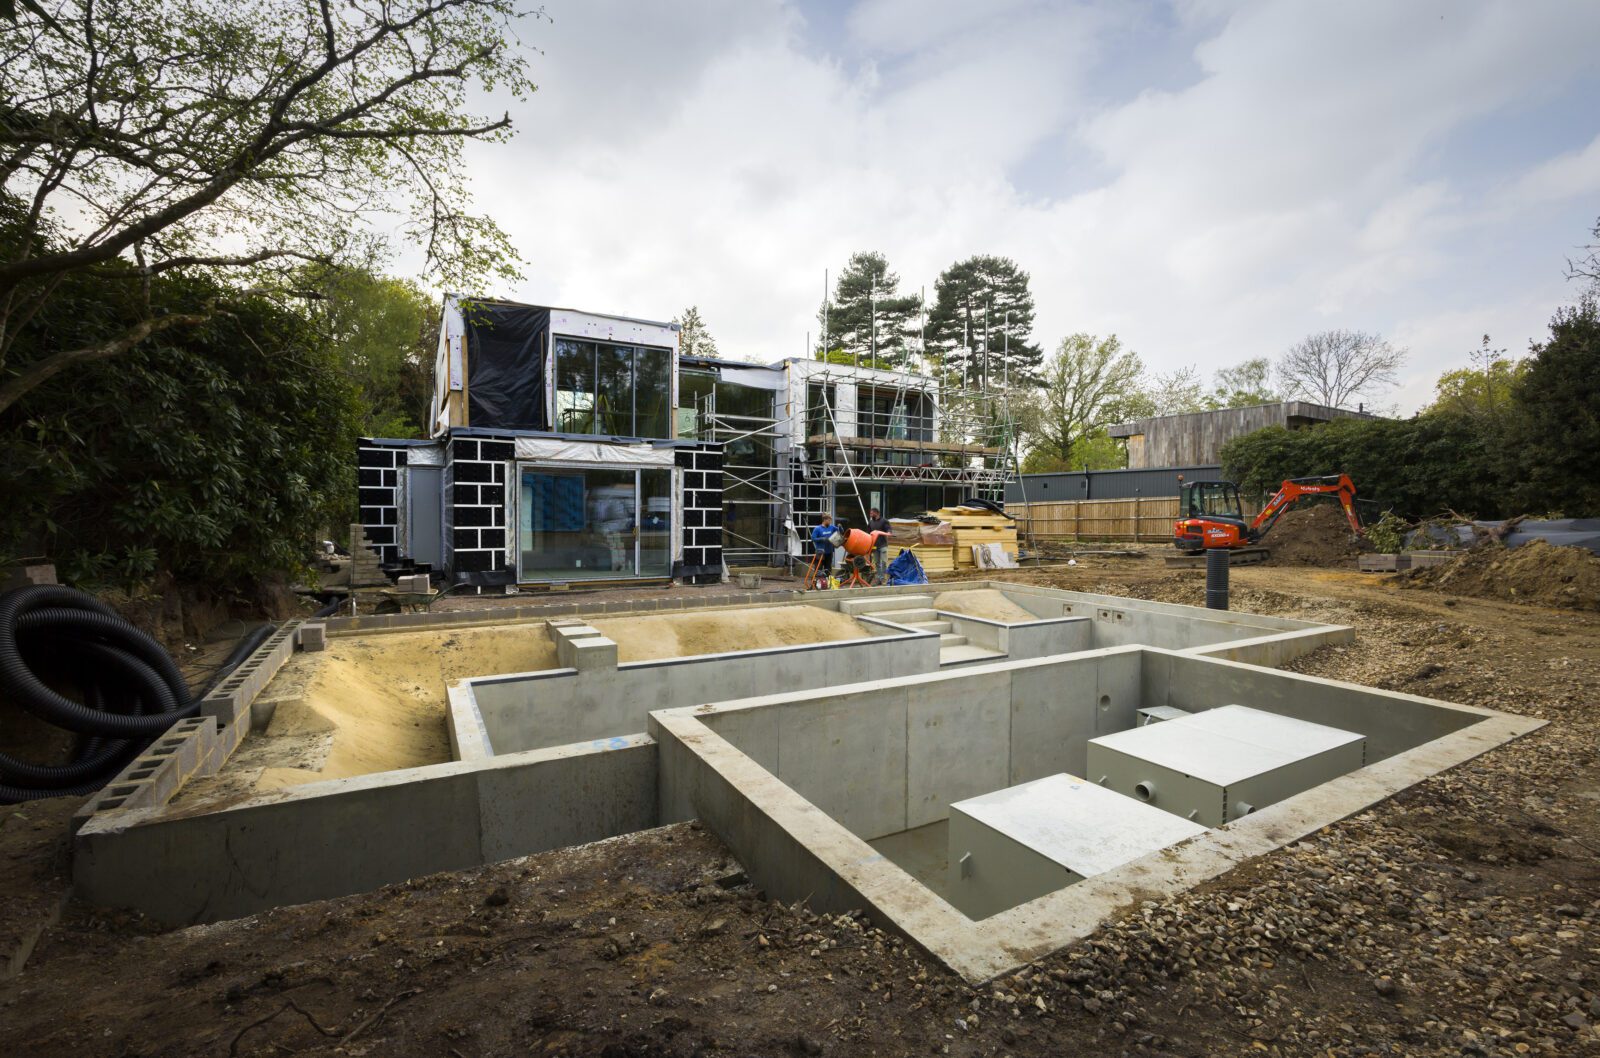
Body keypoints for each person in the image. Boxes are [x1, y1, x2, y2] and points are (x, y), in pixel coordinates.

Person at [810, 514, 841, 587]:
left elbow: (839, 531)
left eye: (830, 520)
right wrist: (822, 539)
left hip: (829, 551)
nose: (830, 522)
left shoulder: (832, 527)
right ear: (825, 520)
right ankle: (816, 584)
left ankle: (828, 584)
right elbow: (813, 538)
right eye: (829, 520)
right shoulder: (818, 529)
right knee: (819, 568)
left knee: (828, 568)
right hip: (820, 552)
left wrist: (840, 528)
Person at [864, 506, 891, 584]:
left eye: (872, 513)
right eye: (870, 513)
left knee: (883, 562)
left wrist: (889, 532)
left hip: (883, 545)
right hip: (875, 546)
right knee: (877, 563)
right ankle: (879, 579)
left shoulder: (884, 521)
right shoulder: (871, 523)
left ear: (877, 513)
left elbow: (888, 529)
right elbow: (868, 534)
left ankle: (882, 578)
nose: (870, 514)